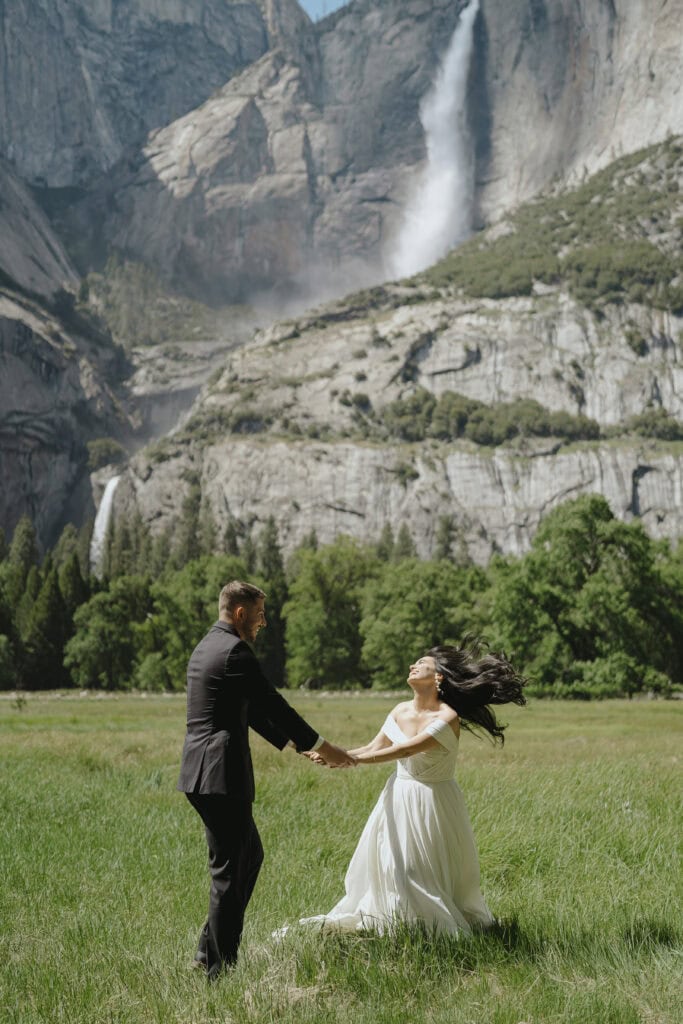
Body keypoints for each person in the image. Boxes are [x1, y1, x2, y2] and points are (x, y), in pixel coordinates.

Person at [177, 579, 355, 979]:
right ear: (240, 613)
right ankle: (217, 969)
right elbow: (273, 702)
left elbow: (252, 712)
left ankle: (209, 953)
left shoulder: (209, 645)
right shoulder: (235, 651)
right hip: (220, 775)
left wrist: (295, 745)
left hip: (201, 774)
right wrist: (325, 746)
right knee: (229, 871)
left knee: (248, 857)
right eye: (259, 615)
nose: (263, 623)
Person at [295, 638, 526, 936]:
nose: (412, 667)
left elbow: (404, 751)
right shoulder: (400, 710)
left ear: (438, 677)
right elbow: (373, 746)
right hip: (398, 796)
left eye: (421, 664)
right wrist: (335, 756)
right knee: (391, 864)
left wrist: (348, 758)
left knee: (419, 870)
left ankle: (430, 927)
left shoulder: (447, 718)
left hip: (432, 800)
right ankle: (396, 923)